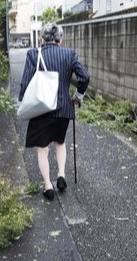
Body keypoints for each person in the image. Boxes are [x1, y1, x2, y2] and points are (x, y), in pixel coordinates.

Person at [18, 23, 90, 201]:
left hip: (42, 109)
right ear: (60, 39)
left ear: (42, 39)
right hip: (64, 108)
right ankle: (61, 175)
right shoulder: (69, 54)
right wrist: (78, 95)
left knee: (42, 149)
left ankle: (48, 186)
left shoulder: (34, 54)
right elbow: (85, 77)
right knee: (60, 142)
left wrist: (22, 102)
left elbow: (26, 81)